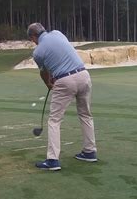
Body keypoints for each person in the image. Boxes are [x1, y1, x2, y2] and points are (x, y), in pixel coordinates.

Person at [27, 22, 97, 171]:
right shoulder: (58, 33)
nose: (33, 42)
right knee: (86, 115)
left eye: (31, 39)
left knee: (54, 120)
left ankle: (52, 160)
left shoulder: (38, 52)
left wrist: (49, 85)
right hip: (84, 75)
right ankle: (90, 152)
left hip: (65, 81)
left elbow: (44, 72)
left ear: (33, 36)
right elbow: (60, 54)